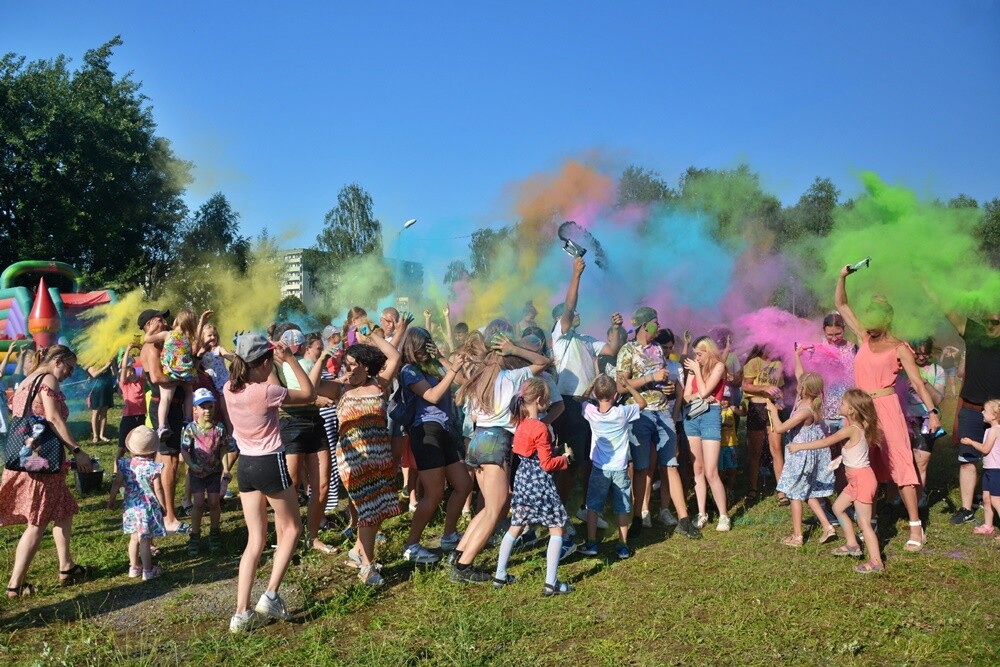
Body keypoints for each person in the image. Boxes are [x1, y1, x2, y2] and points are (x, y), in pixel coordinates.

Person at [836, 268, 941, 552]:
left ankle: (916, 527)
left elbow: (918, 384)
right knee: (860, 465)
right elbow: (842, 305)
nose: (868, 321)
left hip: (887, 408)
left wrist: (932, 412)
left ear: (887, 318)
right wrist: (842, 277)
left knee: (902, 465)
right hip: (860, 410)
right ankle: (865, 523)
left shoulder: (900, 347)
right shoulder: (863, 339)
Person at [225, 333, 314, 632]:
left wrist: (271, 363)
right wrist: (289, 359)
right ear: (265, 363)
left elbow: (263, 379)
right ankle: (271, 596)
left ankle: (240, 613)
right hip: (269, 462)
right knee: (292, 528)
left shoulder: (229, 387)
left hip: (246, 467)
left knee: (255, 540)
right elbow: (308, 393)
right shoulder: (266, 392)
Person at [450, 332, 551, 583]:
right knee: (495, 510)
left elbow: (472, 418)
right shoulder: (513, 377)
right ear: (504, 358)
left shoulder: (478, 380)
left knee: (487, 508)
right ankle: (463, 567)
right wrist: (515, 348)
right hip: (497, 441)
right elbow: (542, 362)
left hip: (478, 439)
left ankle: (459, 553)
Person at [0, 345, 94, 597]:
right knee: (37, 523)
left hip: (30, 459)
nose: (70, 374)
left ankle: (66, 566)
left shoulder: (26, 380)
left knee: (63, 509)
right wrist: (77, 450)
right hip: (42, 463)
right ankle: (15, 586)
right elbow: (53, 418)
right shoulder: (48, 378)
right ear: (58, 361)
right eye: (70, 367)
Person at [550, 256, 626, 530]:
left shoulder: (584, 340)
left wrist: (617, 328)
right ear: (561, 320)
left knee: (585, 461)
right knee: (569, 461)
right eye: (571, 315)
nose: (578, 315)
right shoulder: (560, 336)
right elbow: (570, 306)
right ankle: (558, 513)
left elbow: (612, 349)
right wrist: (576, 275)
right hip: (568, 405)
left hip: (586, 406)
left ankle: (582, 509)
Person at [492, 378, 574, 595]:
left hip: (523, 480)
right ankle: (551, 583)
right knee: (557, 528)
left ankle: (500, 575)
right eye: (546, 401)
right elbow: (547, 464)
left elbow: (530, 454)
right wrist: (565, 458)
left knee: (516, 525)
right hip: (540, 482)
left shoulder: (520, 424)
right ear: (539, 401)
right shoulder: (541, 428)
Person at [334, 330, 404, 584]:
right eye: (345, 364)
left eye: (352, 365)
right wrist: (321, 360)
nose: (348, 370)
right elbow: (310, 389)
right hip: (354, 460)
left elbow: (394, 356)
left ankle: (358, 550)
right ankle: (367, 567)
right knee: (368, 510)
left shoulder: (378, 384)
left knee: (379, 508)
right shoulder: (340, 388)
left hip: (380, 457)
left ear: (365, 366)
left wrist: (373, 335)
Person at [788, 389, 884, 574]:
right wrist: (842, 459)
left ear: (852, 410)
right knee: (838, 508)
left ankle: (876, 562)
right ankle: (852, 545)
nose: (839, 405)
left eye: (843, 403)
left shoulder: (850, 429)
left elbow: (827, 442)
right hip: (856, 480)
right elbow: (858, 452)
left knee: (864, 523)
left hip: (862, 480)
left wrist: (800, 446)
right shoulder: (859, 426)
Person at [398, 326, 471, 563]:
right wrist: (451, 370)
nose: (424, 351)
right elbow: (431, 396)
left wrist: (441, 357)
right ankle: (411, 545)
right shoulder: (409, 370)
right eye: (421, 347)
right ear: (413, 347)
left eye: (427, 345)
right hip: (425, 431)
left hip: (446, 429)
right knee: (434, 493)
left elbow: (461, 380)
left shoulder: (434, 364)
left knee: (463, 484)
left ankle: (449, 535)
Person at [272, 324, 338, 556]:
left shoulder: (305, 361)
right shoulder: (272, 365)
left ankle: (311, 536)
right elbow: (278, 397)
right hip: (290, 425)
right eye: (289, 339)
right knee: (289, 485)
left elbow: (322, 387)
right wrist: (313, 399)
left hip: (315, 423)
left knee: (322, 485)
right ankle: (284, 539)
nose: (294, 344)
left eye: (297, 339)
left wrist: (346, 382)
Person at [937, 308, 1000, 525]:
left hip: (998, 414)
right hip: (972, 409)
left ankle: (989, 496)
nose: (991, 325)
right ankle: (966, 508)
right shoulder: (974, 332)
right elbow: (948, 310)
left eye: (996, 322)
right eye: (987, 321)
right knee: (968, 460)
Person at [578, 373, 646, 559]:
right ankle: (623, 545)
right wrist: (628, 385)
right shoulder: (622, 413)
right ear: (616, 395)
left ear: (596, 395)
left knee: (593, 506)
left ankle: (591, 543)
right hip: (620, 468)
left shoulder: (590, 412)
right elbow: (642, 404)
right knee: (622, 506)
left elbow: (582, 400)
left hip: (599, 468)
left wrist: (592, 382)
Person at [766, 372, 836, 546]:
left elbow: (780, 428)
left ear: (804, 388)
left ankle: (797, 536)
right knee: (809, 493)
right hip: (804, 455)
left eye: (800, 384)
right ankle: (828, 527)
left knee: (795, 495)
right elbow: (800, 373)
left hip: (800, 456)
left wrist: (773, 410)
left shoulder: (806, 409)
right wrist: (797, 355)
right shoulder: (806, 402)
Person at [138, 308, 189, 535]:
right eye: (161, 318)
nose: (165, 321)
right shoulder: (150, 347)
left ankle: (161, 509)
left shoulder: (165, 343)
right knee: (170, 462)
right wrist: (184, 376)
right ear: (151, 323)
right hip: (163, 406)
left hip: (175, 405)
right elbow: (157, 377)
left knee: (168, 460)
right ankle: (169, 516)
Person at [683, 336, 731, 531]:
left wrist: (697, 374)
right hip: (693, 416)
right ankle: (701, 513)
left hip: (710, 416)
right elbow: (688, 396)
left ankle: (723, 516)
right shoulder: (694, 369)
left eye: (700, 354)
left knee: (711, 471)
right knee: (698, 469)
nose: (697, 358)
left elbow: (704, 392)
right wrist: (697, 392)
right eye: (695, 354)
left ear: (708, 351)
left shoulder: (718, 367)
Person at [107, 426, 167, 580]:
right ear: (153, 450)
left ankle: (134, 567)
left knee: (134, 538)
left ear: (131, 448)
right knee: (145, 539)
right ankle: (147, 570)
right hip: (147, 508)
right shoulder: (153, 467)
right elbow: (158, 488)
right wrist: (163, 505)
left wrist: (112, 499)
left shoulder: (125, 464)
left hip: (131, 507)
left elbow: (117, 483)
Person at [144, 308, 210, 438]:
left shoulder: (168, 335)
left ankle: (162, 426)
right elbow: (196, 344)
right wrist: (201, 323)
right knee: (189, 393)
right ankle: (187, 419)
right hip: (185, 373)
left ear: (176, 321)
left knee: (165, 399)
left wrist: (152, 330)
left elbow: (147, 338)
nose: (164, 322)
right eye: (160, 320)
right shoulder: (188, 338)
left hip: (171, 372)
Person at [181, 388, 231, 554]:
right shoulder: (190, 429)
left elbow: (223, 448)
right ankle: (195, 535)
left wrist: (226, 467)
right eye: (203, 407)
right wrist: (191, 465)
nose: (207, 411)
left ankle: (215, 533)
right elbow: (185, 450)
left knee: (215, 502)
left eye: (210, 406)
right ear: (195, 410)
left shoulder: (219, 428)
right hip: (197, 473)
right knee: (199, 503)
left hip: (214, 472)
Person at [742, 345, 787, 504]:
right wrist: (764, 388)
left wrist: (780, 400)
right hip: (756, 408)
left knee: (776, 449)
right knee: (755, 450)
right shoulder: (754, 362)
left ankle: (781, 490)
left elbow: (779, 388)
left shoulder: (778, 364)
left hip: (772, 408)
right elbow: (746, 385)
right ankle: (752, 488)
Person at [903, 338, 945, 497]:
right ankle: (899, 496)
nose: (921, 358)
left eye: (926, 354)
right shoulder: (902, 368)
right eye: (918, 354)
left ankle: (919, 496)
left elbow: (938, 400)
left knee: (921, 461)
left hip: (926, 419)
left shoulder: (937, 370)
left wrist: (924, 383)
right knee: (905, 460)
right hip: (904, 418)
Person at [960, 398, 1000, 537]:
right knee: (987, 498)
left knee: (996, 500)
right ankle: (988, 526)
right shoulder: (990, 430)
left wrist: (970, 442)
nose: (982, 412)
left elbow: (985, 449)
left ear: (994, 415)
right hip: (989, 470)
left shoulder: (995, 431)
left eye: (985, 411)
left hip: (996, 471)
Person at [117, 344, 147, 468]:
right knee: (122, 447)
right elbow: (124, 368)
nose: (130, 374)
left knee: (137, 445)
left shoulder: (141, 381)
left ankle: (134, 468)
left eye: (132, 371)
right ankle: (116, 470)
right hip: (128, 418)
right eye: (128, 373)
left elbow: (145, 366)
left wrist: (142, 351)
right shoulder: (125, 385)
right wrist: (128, 349)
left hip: (140, 417)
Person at [718, 388, 744, 499]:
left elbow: (743, 413)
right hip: (719, 446)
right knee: (721, 471)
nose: (724, 401)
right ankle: (721, 490)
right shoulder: (716, 411)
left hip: (731, 444)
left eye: (726, 399)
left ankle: (730, 489)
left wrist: (744, 404)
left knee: (732, 470)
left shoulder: (732, 409)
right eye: (722, 399)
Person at [86, 359, 115, 442]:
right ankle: (95, 435)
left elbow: (114, 374)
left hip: (106, 388)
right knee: (96, 412)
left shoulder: (107, 361)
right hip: (96, 390)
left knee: (104, 412)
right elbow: (94, 374)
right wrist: (105, 366)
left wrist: (112, 365)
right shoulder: (90, 361)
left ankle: (102, 434)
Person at [200, 323, 232, 392]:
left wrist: (236, 359)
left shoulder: (219, 349)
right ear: (202, 337)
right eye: (209, 335)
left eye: (215, 335)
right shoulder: (201, 352)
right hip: (211, 383)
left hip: (224, 381)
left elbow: (226, 354)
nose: (213, 337)